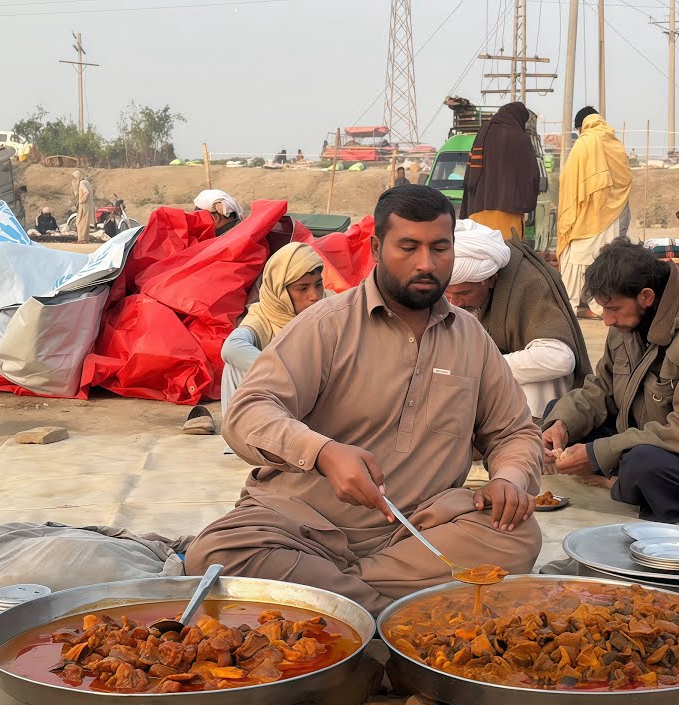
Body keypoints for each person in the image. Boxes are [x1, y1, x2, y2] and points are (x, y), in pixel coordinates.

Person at [185, 184, 544, 614]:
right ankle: (394, 614)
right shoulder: (328, 324)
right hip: (299, 525)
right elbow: (248, 412)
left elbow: (514, 431)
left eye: (439, 248)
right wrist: (322, 452)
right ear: (376, 247)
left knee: (517, 535)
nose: (426, 264)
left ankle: (335, 604)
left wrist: (509, 480)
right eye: (408, 247)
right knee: (217, 556)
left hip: (412, 534)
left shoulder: (471, 338)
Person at [541, 240, 679, 523]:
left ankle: (620, 481)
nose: (607, 321)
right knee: (559, 413)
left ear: (646, 297)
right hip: (645, 437)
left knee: (643, 464)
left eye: (613, 308)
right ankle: (622, 476)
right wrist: (562, 424)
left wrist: (600, 452)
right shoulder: (626, 326)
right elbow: (601, 389)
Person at [445, 220, 591, 418]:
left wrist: (482, 365)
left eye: (464, 293)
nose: (453, 302)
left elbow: (560, 358)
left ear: (491, 279)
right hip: (481, 386)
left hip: (533, 401)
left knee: (540, 377)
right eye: (446, 293)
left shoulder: (530, 282)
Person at [220, 243, 326, 417]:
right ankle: (238, 440)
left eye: (318, 285)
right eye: (302, 288)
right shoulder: (264, 315)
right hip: (280, 404)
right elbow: (232, 347)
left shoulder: (332, 306)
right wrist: (285, 374)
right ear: (280, 291)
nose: (314, 296)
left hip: (324, 409)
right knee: (234, 366)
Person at [557, 106, 632, 319]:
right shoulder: (615, 143)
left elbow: (569, 180)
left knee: (575, 260)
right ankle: (602, 307)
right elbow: (625, 181)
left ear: (581, 126)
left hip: (586, 217)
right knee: (605, 261)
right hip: (613, 214)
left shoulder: (585, 142)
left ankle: (568, 306)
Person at [461, 101, 541, 244]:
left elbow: (470, 177)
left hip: (478, 210)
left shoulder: (483, 132)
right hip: (509, 213)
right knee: (508, 259)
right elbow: (532, 176)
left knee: (483, 257)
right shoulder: (520, 138)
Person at [73, 170, 94, 244]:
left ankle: (81, 239)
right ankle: (85, 238)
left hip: (83, 206)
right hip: (87, 205)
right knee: (85, 223)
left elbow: (86, 193)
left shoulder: (82, 183)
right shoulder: (86, 182)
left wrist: (81, 201)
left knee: (80, 223)